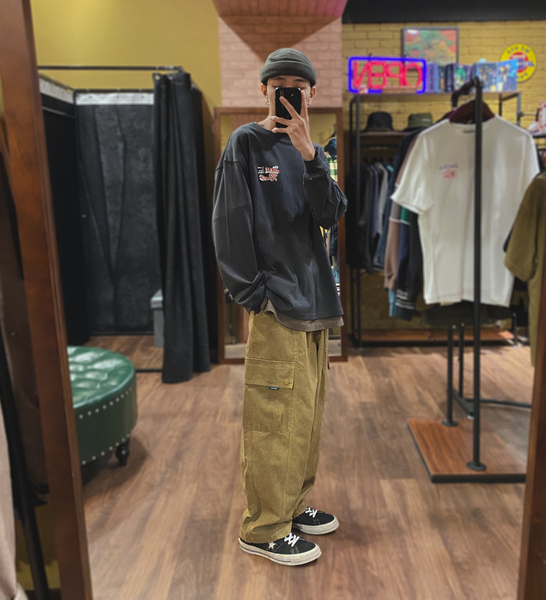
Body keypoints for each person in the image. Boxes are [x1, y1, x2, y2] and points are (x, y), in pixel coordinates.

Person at [212, 48, 347, 566]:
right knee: (274, 421)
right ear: (264, 91)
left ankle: (291, 508)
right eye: (279, 84)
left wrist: (312, 156)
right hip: (278, 306)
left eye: (298, 85)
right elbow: (229, 224)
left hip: (316, 303)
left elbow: (331, 214)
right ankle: (264, 527)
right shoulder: (246, 143)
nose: (289, 92)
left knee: (305, 418)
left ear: (311, 93)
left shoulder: (314, 151)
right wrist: (255, 296)